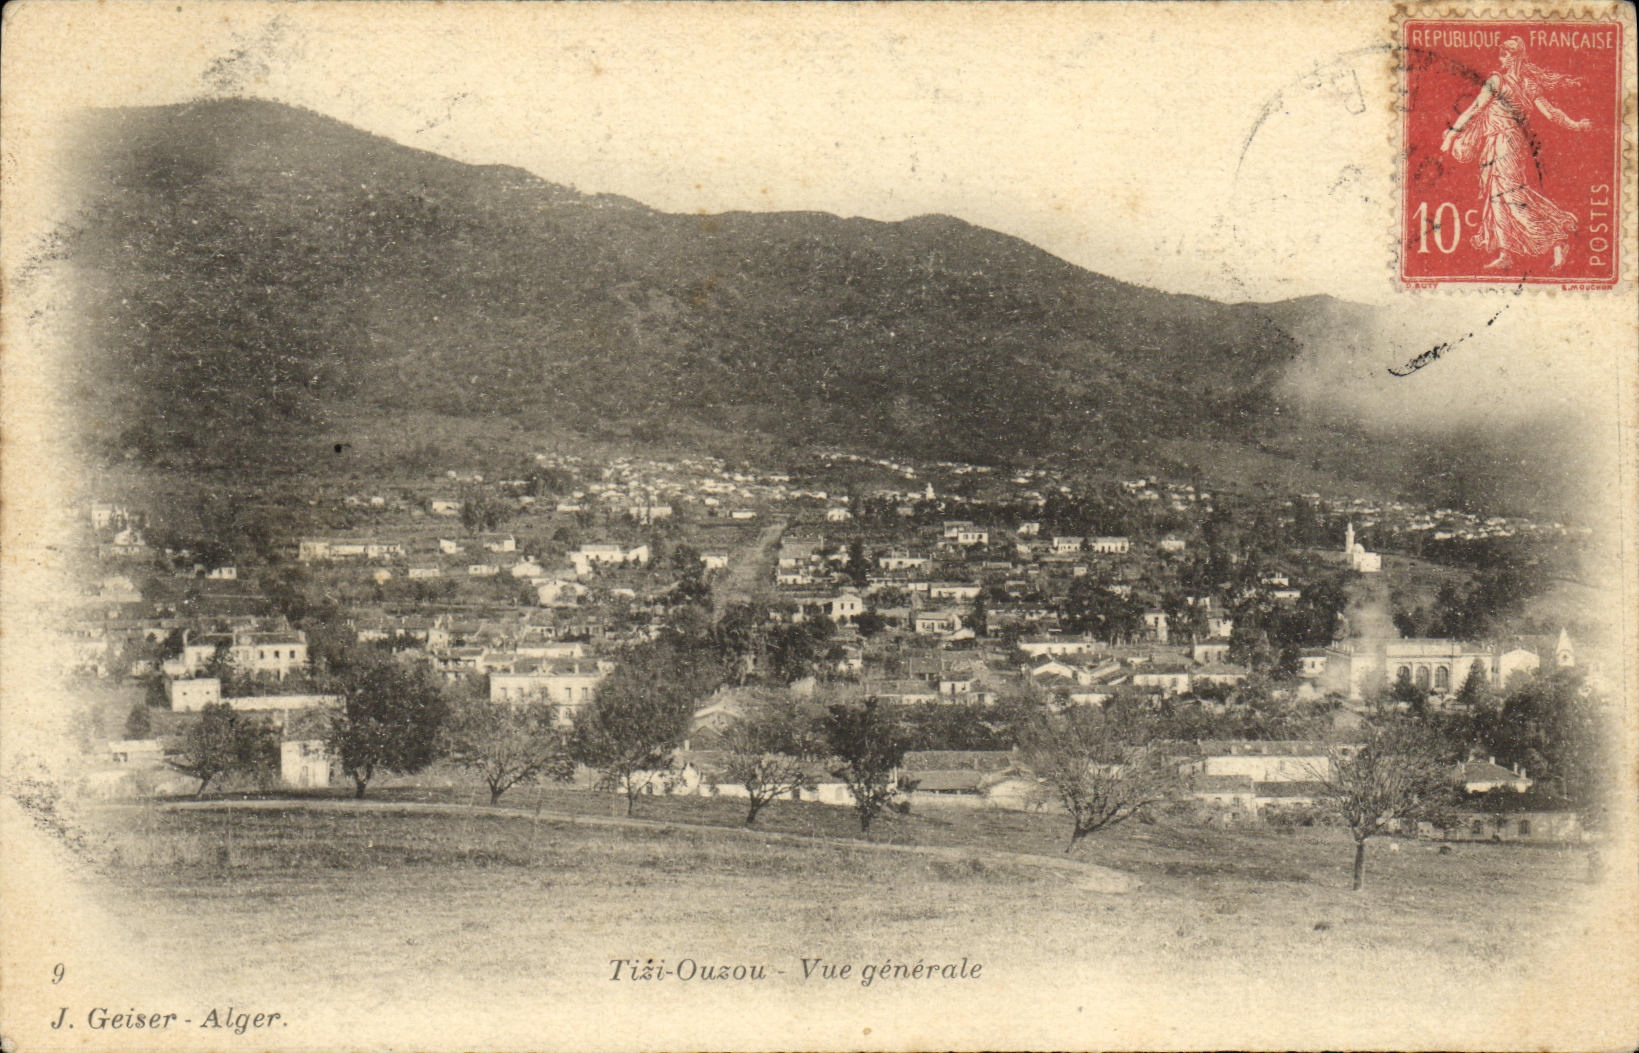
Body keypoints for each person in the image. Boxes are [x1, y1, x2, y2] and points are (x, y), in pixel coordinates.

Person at [1440, 37, 1592, 271]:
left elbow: (1475, 109)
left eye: (1504, 55)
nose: (1501, 59)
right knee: (1497, 197)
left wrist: (1452, 134)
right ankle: (1506, 253)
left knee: (1511, 197)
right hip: (1501, 143)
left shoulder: (1500, 82)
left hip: (1505, 144)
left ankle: (1556, 237)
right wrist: (1576, 124)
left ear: (1512, 57)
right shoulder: (1524, 84)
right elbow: (1551, 113)